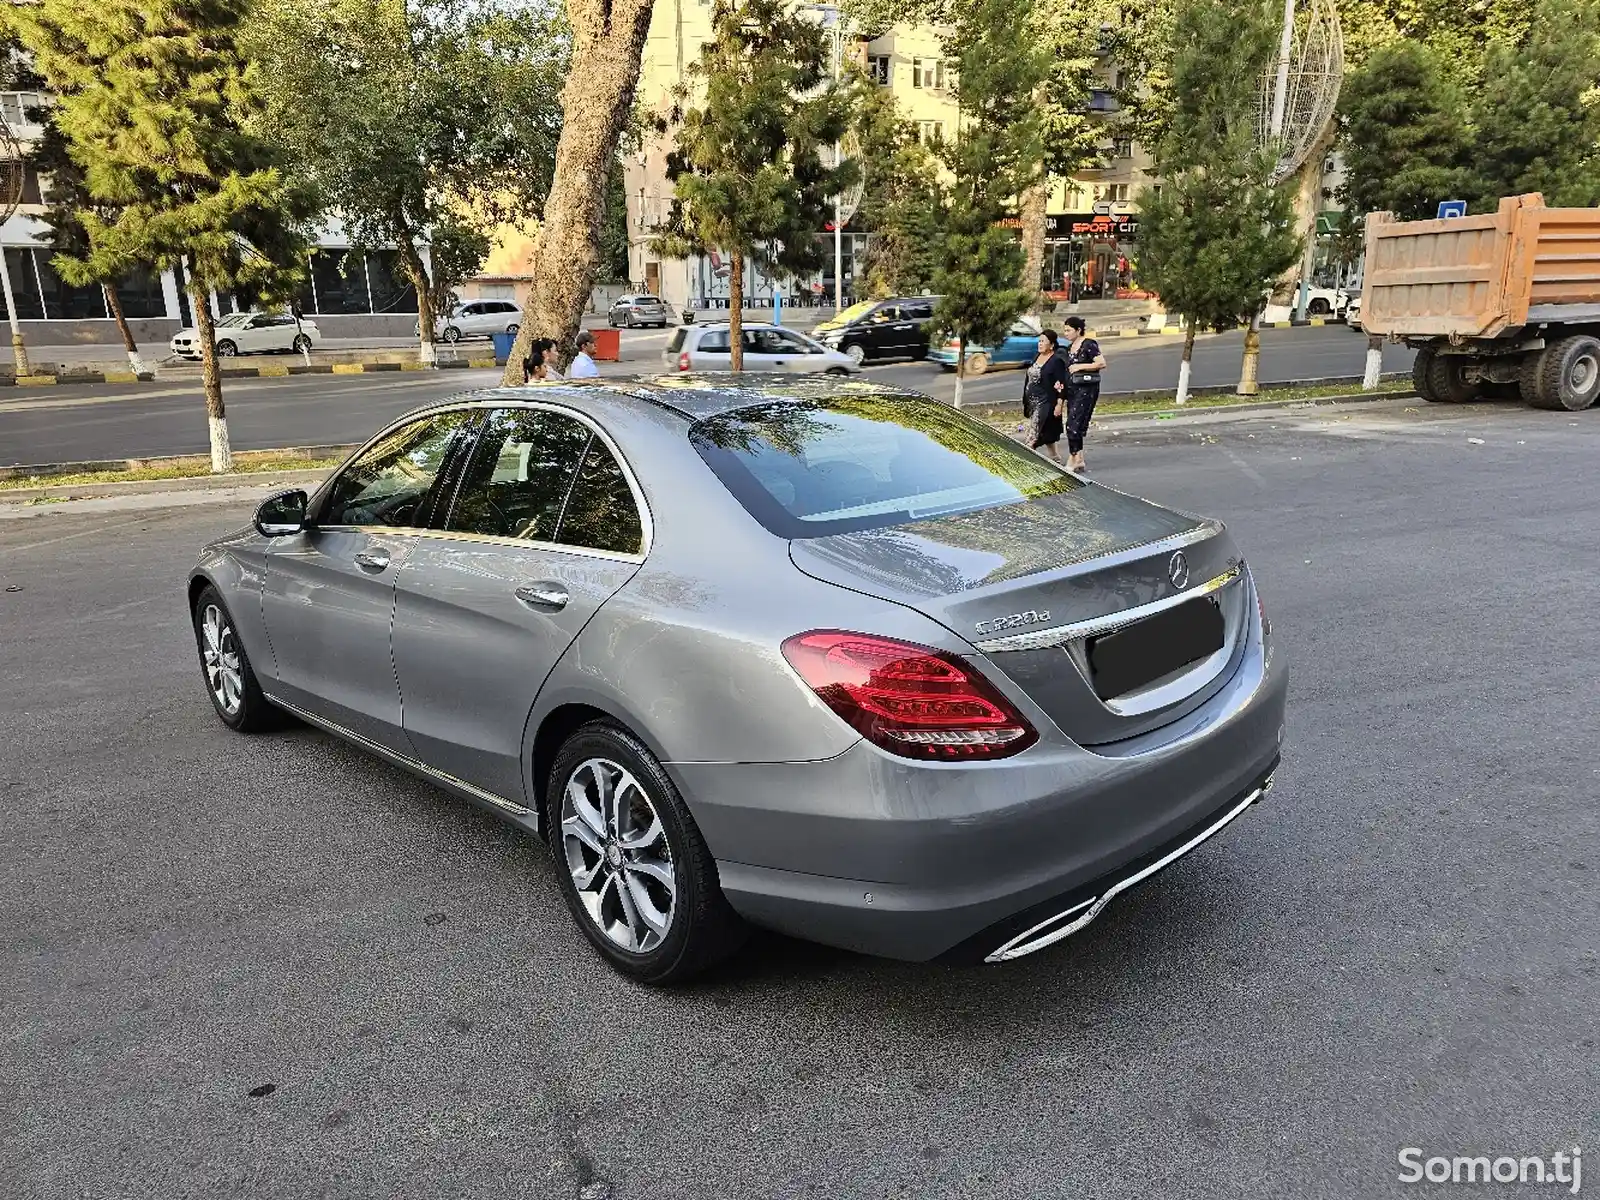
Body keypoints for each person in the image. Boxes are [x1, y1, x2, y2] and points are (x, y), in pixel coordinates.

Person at [1062, 315, 1107, 474]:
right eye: (1065, 330)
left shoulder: (1088, 344)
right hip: (1072, 390)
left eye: (1069, 330)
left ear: (1078, 330)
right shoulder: (1069, 348)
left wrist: (1080, 366)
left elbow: (1101, 363)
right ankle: (1079, 459)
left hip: (1087, 390)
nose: (1066, 333)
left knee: (1072, 425)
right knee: (1076, 424)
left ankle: (1073, 458)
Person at [1022, 329, 1069, 463]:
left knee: (1034, 435)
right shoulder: (1037, 356)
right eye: (1039, 341)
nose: (1040, 344)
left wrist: (1059, 404)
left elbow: (1061, 384)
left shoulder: (1056, 361)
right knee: (1048, 433)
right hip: (1032, 402)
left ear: (1052, 344)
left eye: (1043, 341)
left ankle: (1026, 464)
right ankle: (1055, 459)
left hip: (1045, 402)